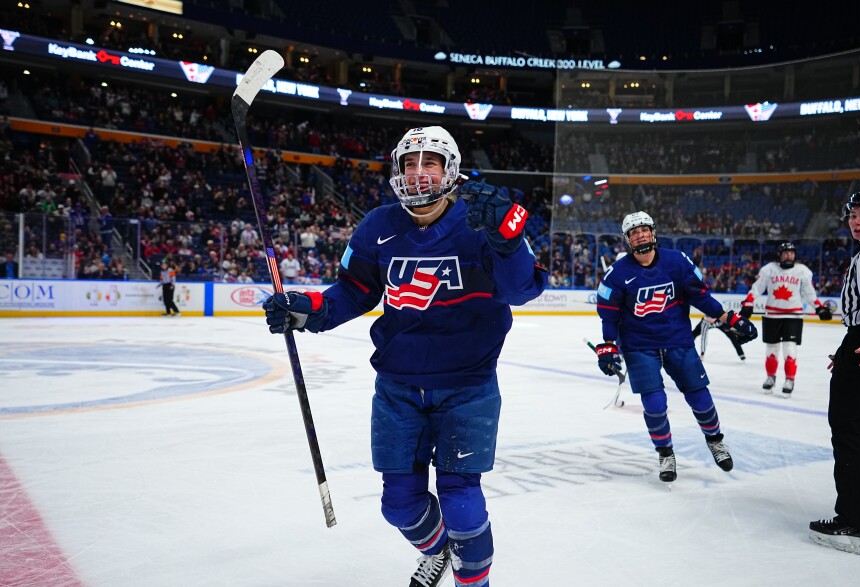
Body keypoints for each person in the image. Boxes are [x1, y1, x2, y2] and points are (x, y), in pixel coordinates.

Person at [262, 126, 547, 587]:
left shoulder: (481, 222)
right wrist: (305, 310)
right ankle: (438, 552)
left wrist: (508, 238)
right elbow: (352, 293)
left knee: (460, 497)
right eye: (408, 164)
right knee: (398, 504)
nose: (417, 173)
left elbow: (520, 289)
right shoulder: (377, 225)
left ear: (450, 169)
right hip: (397, 386)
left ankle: (473, 582)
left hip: (467, 386)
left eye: (429, 162)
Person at [594, 211, 758, 483]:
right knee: (655, 404)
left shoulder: (677, 261)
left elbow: (700, 296)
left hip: (677, 340)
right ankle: (665, 453)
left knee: (700, 397)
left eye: (644, 229)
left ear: (653, 232)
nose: (641, 235)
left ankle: (715, 441)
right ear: (627, 240)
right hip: (639, 346)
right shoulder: (616, 275)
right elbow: (609, 315)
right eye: (634, 232)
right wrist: (608, 346)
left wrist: (728, 317)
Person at [810, 189, 860, 555]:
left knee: (851, 432)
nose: (856, 221)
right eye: (853, 215)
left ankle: (852, 521)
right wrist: (845, 352)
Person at [739, 241, 833, 397]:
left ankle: (790, 379)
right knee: (771, 349)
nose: (789, 255)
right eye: (786, 252)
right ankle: (771, 377)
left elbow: (809, 293)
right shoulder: (769, 269)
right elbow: (757, 287)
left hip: (793, 315)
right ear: (780, 255)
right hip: (772, 315)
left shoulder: (802, 271)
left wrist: (819, 307)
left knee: (790, 348)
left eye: (791, 252)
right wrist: (748, 303)